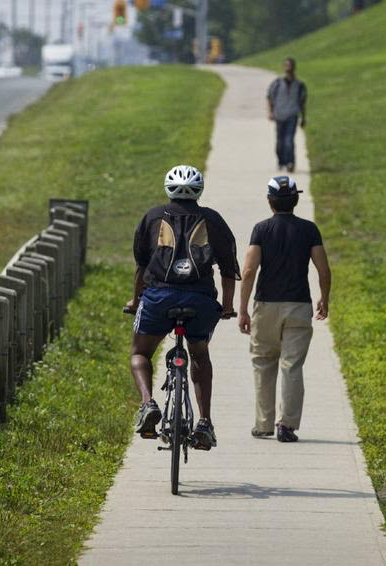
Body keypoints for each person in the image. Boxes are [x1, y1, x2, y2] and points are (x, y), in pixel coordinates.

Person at [126, 165, 240, 450]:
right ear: (199, 190)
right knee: (199, 356)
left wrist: (136, 300)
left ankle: (147, 403)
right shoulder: (212, 219)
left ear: (168, 188)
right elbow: (228, 270)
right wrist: (227, 306)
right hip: (199, 300)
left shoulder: (153, 217)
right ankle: (204, 423)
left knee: (140, 353)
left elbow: (142, 266)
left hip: (158, 298)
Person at [238, 176, 331, 443]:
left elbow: (248, 271)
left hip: (266, 305)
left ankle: (263, 423)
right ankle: (287, 425)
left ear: (270, 201)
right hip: (299, 305)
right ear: (296, 200)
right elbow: (323, 270)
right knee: (292, 366)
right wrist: (324, 298)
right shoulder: (309, 229)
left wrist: (243, 309)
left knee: (263, 363)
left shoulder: (261, 229)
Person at [267, 57, 307, 173]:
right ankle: (281, 161)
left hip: (292, 115)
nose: (288, 67)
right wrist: (270, 112)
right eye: (286, 65)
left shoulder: (299, 85)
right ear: (284, 67)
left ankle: (290, 163)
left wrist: (303, 117)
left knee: (289, 140)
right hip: (279, 115)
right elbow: (269, 97)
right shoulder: (277, 83)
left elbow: (302, 102)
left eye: (290, 65)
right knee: (280, 142)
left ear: (294, 67)